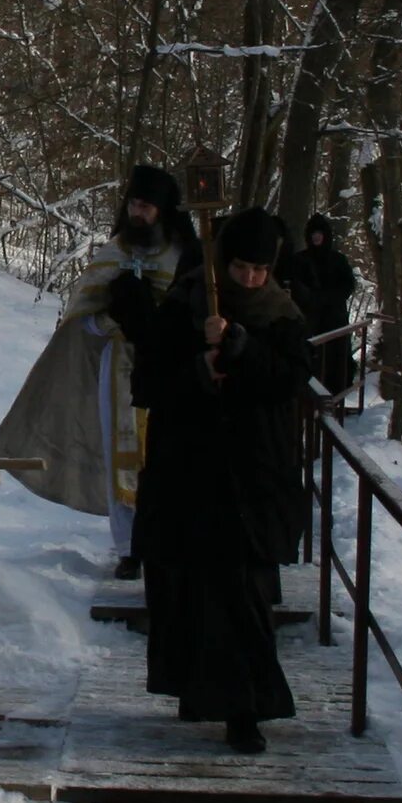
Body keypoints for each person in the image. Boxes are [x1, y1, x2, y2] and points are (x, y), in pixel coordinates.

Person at [105, 205, 312, 752]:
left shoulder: (282, 315)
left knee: (244, 595)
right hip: (189, 474)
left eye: (260, 270)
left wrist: (243, 349)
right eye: (241, 267)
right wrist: (199, 370)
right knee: (191, 595)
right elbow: (148, 382)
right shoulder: (186, 302)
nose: (250, 279)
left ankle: (246, 711)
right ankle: (200, 697)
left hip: (252, 479)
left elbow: (292, 379)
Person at [59, 165, 196, 578]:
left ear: (163, 210)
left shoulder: (182, 254)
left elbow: (195, 310)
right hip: (118, 367)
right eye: (134, 204)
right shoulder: (114, 251)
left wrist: (156, 320)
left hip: (170, 368)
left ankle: (168, 538)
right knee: (120, 452)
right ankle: (129, 548)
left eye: (147, 206)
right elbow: (82, 315)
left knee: (166, 452)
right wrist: (114, 323)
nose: (138, 213)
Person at [285, 214, 361, 399]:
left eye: (320, 233)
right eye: (313, 233)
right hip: (310, 320)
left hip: (335, 319)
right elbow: (294, 286)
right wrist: (309, 298)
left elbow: (348, 285)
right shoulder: (300, 260)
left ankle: (335, 399)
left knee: (336, 362)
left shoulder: (338, 260)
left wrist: (328, 298)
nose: (316, 237)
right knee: (313, 360)